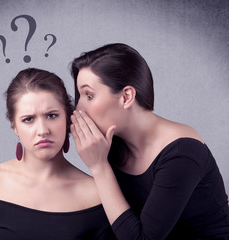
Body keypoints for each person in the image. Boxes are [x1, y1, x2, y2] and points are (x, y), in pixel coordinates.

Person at [70, 43, 229, 239]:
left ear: (126, 96)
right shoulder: (112, 144)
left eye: (89, 95)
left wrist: (99, 167)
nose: (79, 109)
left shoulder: (182, 152)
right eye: (80, 96)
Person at [0, 68, 116, 239]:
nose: (43, 130)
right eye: (28, 119)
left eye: (51, 116)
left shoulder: (96, 196)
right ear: (14, 125)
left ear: (67, 118)